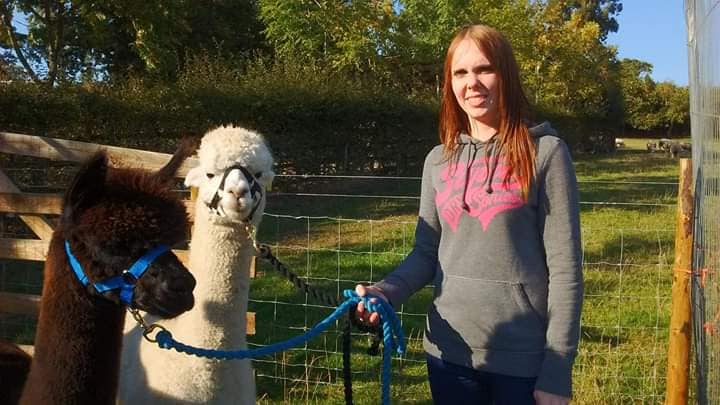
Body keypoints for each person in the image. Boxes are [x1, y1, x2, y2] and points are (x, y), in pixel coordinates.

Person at [355, 24, 583, 405]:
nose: (472, 83)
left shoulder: (546, 154)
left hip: (521, 363)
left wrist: (558, 369)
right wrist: (386, 291)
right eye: (460, 73)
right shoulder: (437, 160)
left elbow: (565, 270)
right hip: (447, 352)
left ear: (505, 75)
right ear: (449, 83)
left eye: (484, 69)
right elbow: (426, 253)